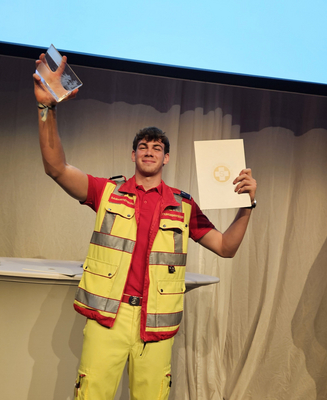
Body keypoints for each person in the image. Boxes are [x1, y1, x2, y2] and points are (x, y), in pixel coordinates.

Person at [33, 54, 257, 400]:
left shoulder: (183, 205)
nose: (149, 151)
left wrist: (247, 207)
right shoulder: (106, 192)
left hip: (155, 322)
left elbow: (226, 248)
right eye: (143, 147)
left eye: (157, 148)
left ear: (166, 158)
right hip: (109, 317)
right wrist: (47, 109)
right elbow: (57, 168)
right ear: (133, 154)